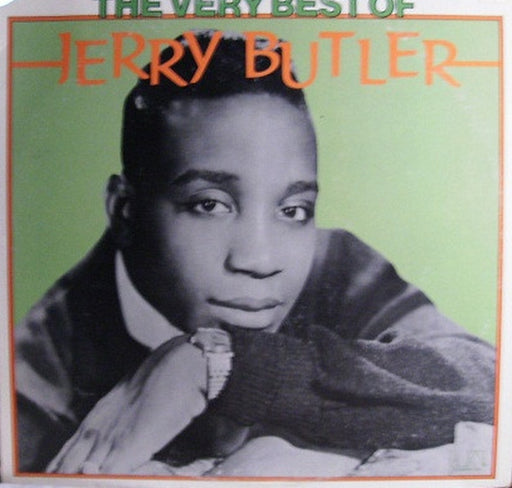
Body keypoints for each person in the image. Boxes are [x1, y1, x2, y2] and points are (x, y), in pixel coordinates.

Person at [14, 30, 495, 476]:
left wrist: (218, 365)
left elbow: (490, 383)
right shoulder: (35, 383)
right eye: (209, 204)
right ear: (124, 212)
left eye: (293, 210)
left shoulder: (337, 268)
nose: (260, 261)